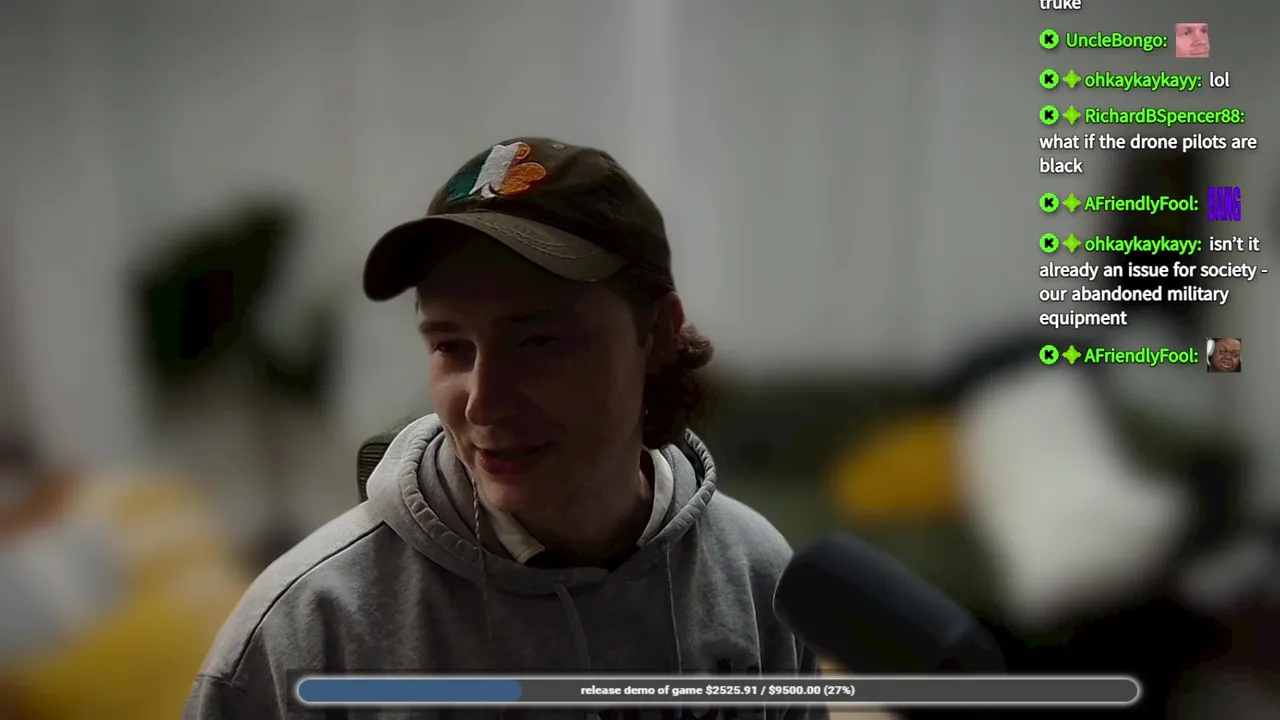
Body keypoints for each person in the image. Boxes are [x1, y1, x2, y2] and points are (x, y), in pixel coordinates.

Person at [185, 137, 826, 720]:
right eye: (451, 347)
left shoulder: (756, 577)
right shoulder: (308, 630)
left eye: (538, 343)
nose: (483, 404)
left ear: (656, 335)